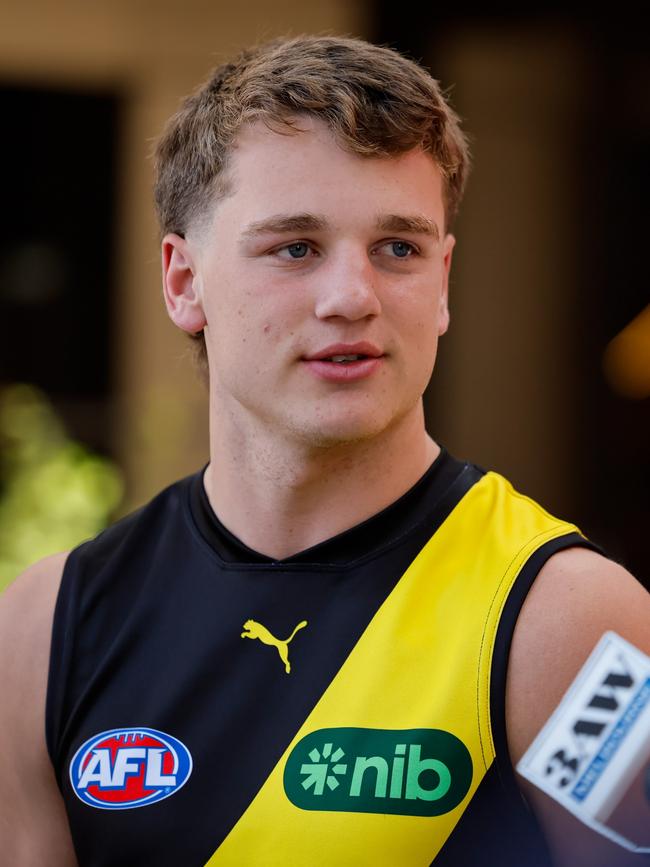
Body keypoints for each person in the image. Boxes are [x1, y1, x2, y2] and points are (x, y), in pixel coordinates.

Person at [0, 34, 648, 867]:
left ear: (443, 280)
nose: (352, 297)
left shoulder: (573, 625)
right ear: (182, 281)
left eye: (399, 249)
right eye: (295, 247)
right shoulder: (46, 627)